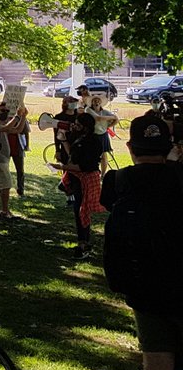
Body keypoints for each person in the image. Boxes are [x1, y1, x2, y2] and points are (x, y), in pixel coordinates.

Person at [100, 111, 183, 370]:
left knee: (156, 369)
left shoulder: (119, 182)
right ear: (169, 146)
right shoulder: (179, 177)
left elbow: (108, 203)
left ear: (131, 148)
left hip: (145, 290)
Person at [51, 95, 102, 258]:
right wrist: (64, 141)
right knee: (78, 210)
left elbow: (82, 166)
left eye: (78, 124)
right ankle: (83, 241)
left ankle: (83, 244)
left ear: (85, 127)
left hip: (85, 179)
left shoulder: (92, 141)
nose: (75, 125)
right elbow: (73, 155)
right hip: (77, 178)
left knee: (82, 210)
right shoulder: (80, 138)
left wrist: (61, 167)